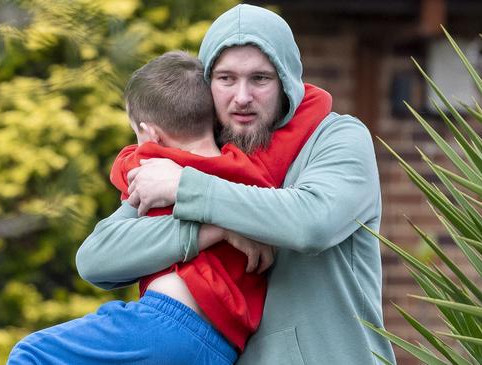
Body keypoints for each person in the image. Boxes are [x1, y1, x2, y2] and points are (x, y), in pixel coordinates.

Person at [77, 4, 397, 365]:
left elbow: (313, 222)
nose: (242, 96)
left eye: (260, 79)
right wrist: (213, 228)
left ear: (286, 81)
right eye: (226, 79)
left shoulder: (336, 137)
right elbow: (97, 258)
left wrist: (187, 189)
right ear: (206, 85)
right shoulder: (193, 154)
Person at [9, 48, 332, 363]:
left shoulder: (153, 167)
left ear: (150, 134)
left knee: (31, 353)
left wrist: (137, 156)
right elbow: (315, 103)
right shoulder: (250, 168)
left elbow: (122, 168)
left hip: (164, 324)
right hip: (221, 349)